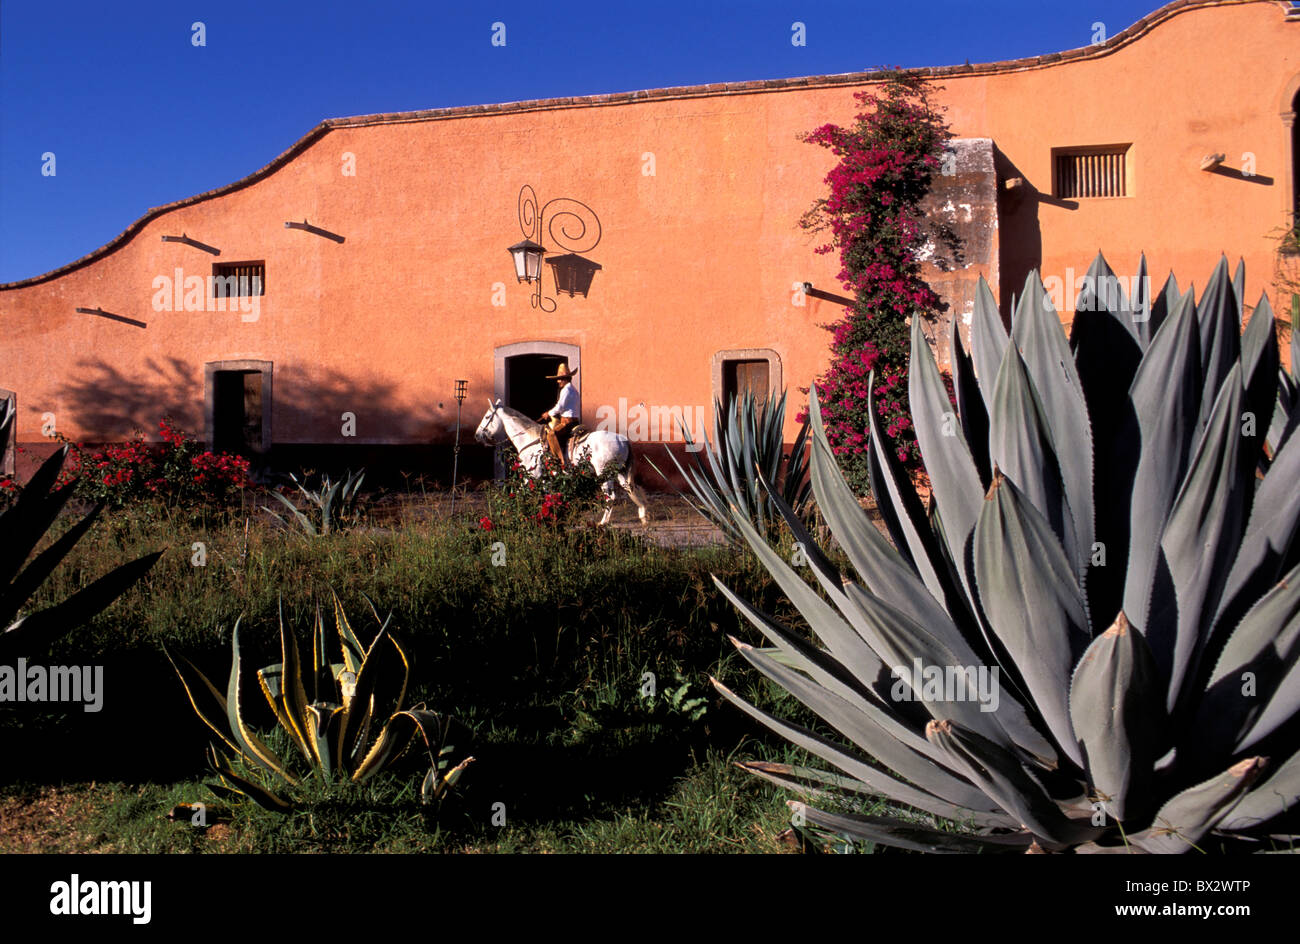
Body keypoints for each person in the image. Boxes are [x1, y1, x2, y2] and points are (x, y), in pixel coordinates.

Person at [539, 363, 579, 471]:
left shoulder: (566, 390)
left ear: (565, 379)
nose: (558, 381)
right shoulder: (573, 390)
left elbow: (560, 407)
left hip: (567, 423)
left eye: (560, 379)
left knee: (551, 435)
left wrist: (548, 413)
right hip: (575, 421)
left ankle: (558, 464)